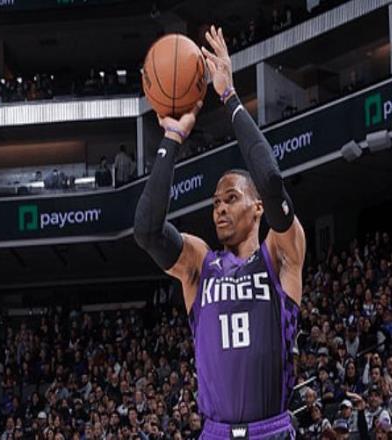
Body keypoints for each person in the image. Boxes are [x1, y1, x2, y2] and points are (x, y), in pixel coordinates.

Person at [134, 25, 306, 440]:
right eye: (214, 203)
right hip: (214, 432)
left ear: (257, 207)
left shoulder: (280, 255)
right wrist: (172, 139)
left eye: (231, 198)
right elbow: (147, 231)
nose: (220, 209)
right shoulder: (200, 264)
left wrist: (229, 96)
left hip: (271, 430)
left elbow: (270, 178)